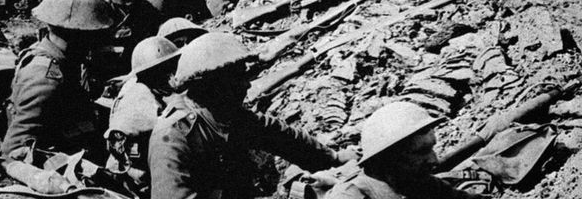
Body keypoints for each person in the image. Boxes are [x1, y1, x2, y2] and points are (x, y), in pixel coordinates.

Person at [148, 32, 359, 199]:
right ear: (211, 85)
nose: (247, 84)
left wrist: (333, 158)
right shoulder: (172, 138)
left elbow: (282, 137)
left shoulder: (226, 114)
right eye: (238, 77)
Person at [1, 0, 115, 162]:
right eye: (95, 33)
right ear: (78, 35)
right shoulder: (45, 78)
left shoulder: (66, 59)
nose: (99, 39)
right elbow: (15, 150)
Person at [325, 101, 481, 199]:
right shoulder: (350, 195)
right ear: (387, 159)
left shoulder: (419, 183)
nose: (434, 160)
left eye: (431, 149)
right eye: (421, 152)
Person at [105, 37, 181, 197]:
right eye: (166, 69)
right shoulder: (140, 97)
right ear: (152, 73)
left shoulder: (141, 86)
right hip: (134, 181)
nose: (172, 73)